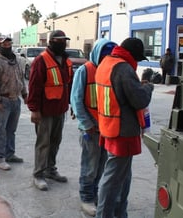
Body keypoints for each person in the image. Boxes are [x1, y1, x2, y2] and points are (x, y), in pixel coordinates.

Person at [95, 37, 154, 218]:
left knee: (122, 176)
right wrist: (148, 86)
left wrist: (139, 85)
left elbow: (120, 93)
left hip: (109, 126)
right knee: (113, 179)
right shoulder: (123, 68)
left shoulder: (106, 63)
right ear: (132, 55)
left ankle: (120, 213)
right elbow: (139, 100)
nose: (137, 62)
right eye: (137, 58)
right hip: (122, 131)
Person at [70, 38, 117, 216]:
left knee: (102, 165)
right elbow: (76, 100)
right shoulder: (85, 71)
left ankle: (96, 194)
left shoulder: (111, 71)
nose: (108, 56)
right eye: (105, 52)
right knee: (90, 166)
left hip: (107, 128)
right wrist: (86, 124)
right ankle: (86, 197)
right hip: (90, 129)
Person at [27, 30, 73, 191]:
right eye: (59, 40)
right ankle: (38, 174)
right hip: (44, 110)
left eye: (64, 40)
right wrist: (34, 110)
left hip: (60, 109)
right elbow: (34, 86)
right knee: (43, 143)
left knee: (55, 141)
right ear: (51, 41)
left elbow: (69, 85)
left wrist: (71, 104)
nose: (62, 43)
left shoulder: (66, 61)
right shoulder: (41, 60)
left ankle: (50, 169)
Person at [0, 37, 27, 170]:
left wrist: (24, 94)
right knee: (1, 130)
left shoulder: (15, 60)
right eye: (4, 44)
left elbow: (20, 78)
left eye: (9, 44)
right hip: (3, 101)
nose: (7, 46)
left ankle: (10, 153)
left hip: (15, 100)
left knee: (11, 130)